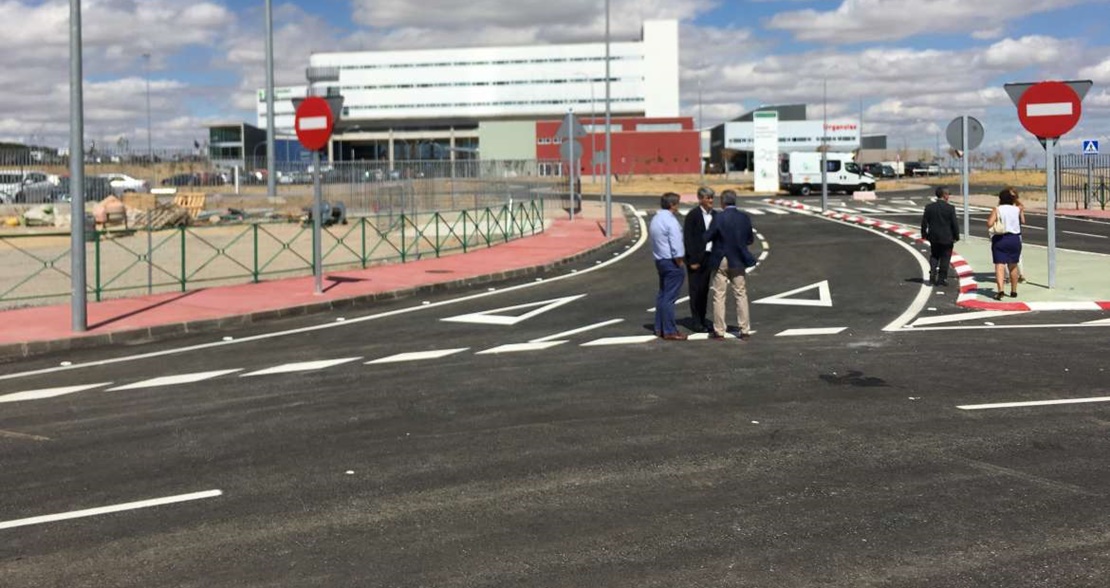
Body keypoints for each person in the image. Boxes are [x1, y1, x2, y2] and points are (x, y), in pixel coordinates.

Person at [704, 190, 756, 340]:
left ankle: (719, 330)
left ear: (723, 201)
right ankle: (744, 329)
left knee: (719, 295)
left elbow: (709, 236)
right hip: (738, 259)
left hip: (721, 258)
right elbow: (749, 239)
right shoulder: (744, 217)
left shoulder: (718, 217)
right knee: (740, 293)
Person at [649, 192, 687, 340]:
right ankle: (670, 330)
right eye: (677, 203)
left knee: (663, 295)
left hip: (660, 260)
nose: (678, 207)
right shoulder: (670, 221)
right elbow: (676, 242)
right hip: (671, 261)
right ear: (672, 205)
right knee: (669, 297)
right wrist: (679, 260)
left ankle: (660, 327)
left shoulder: (656, 218)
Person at [683, 186, 718, 332]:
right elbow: (688, 239)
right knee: (696, 290)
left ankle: (703, 319)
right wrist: (692, 260)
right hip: (697, 258)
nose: (711, 200)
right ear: (700, 199)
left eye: (712, 197)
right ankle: (696, 321)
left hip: (710, 257)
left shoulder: (716, 215)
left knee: (705, 290)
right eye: (708, 198)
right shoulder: (693, 215)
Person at [986, 188, 1025, 300]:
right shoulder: (1016, 209)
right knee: (1013, 265)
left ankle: (1001, 290)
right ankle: (1013, 291)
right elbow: (1022, 218)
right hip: (1014, 239)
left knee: (1000, 265)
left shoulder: (997, 209)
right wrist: (1016, 200)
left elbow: (989, 223)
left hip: (1000, 239)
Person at [920, 187, 960, 286]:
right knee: (945, 257)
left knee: (934, 254)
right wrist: (956, 236)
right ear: (945, 195)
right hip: (947, 236)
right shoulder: (950, 208)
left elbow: (924, 222)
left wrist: (924, 234)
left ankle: (933, 272)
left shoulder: (929, 207)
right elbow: (954, 224)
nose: (949, 196)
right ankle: (942, 278)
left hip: (933, 236)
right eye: (948, 195)